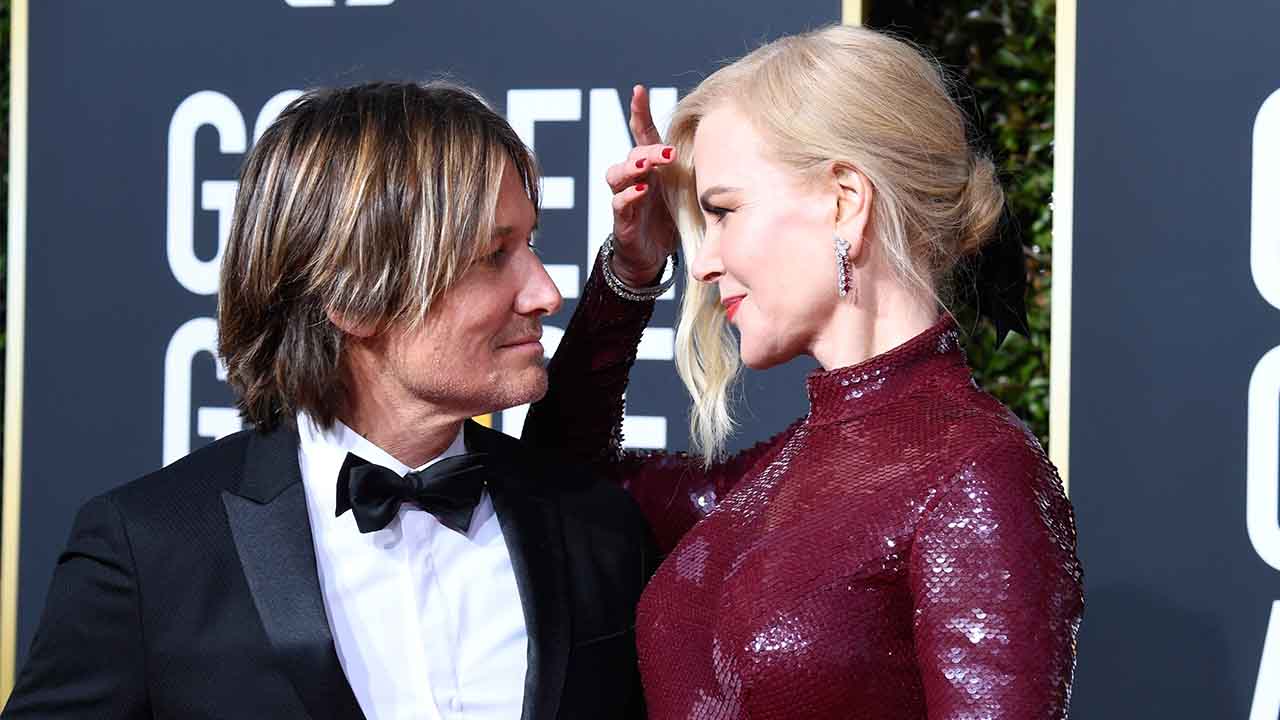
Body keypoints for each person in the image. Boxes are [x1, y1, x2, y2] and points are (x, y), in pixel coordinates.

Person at [4, 81, 654, 720]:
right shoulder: (150, 551)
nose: (545, 292)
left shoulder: (592, 527)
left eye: (530, 244)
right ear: (352, 297)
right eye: (492, 255)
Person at [524, 25, 1084, 719]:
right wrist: (633, 271)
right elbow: (560, 485)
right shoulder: (777, 472)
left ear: (845, 200)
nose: (703, 263)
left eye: (724, 211)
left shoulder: (977, 474)